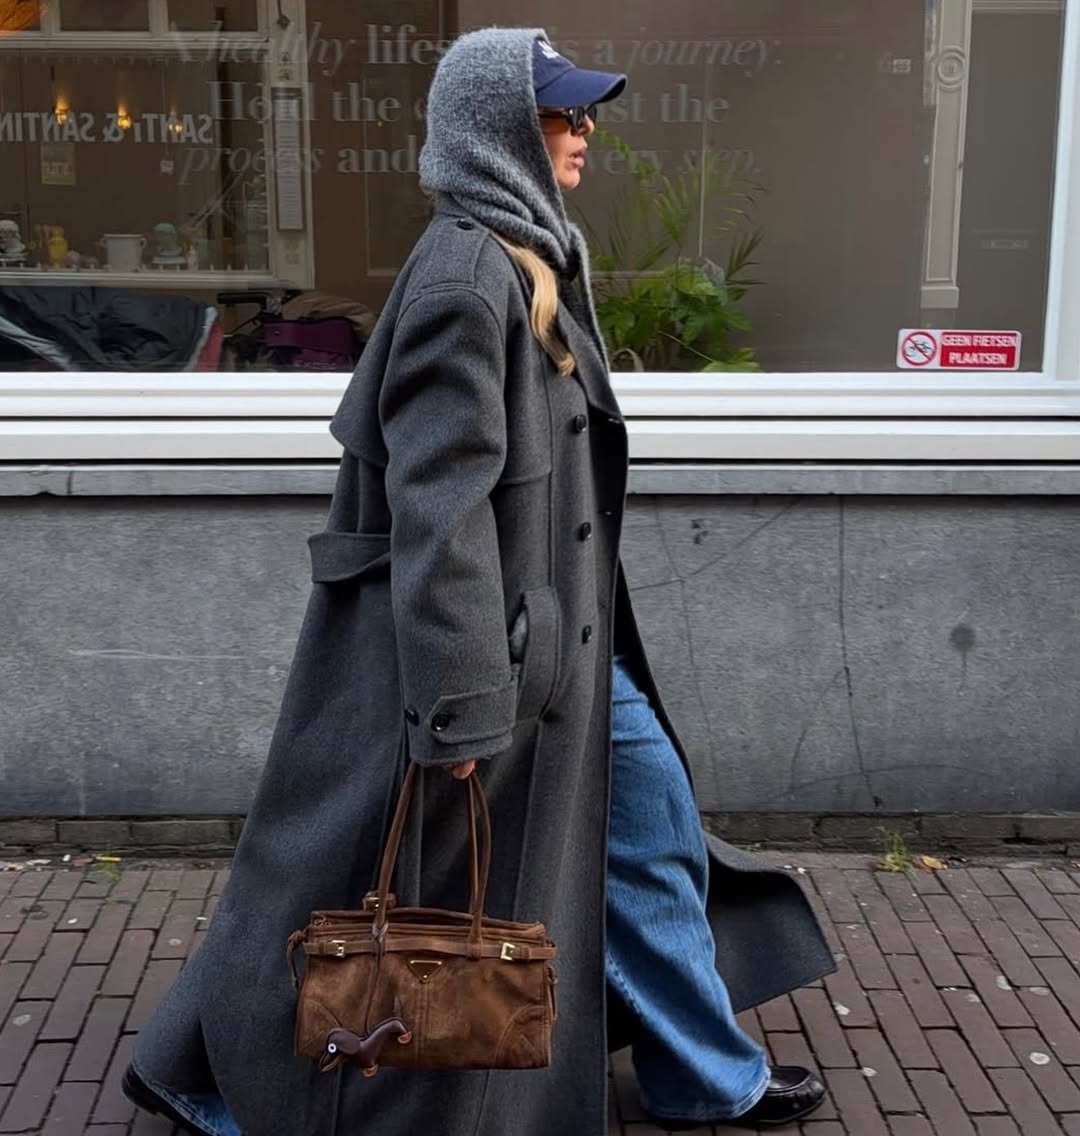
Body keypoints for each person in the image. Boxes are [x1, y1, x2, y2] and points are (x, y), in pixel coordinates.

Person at [123, 27, 834, 1135]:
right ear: (496, 127)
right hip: (487, 652)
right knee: (346, 865)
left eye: (583, 111)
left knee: (648, 829)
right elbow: (439, 504)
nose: (585, 129)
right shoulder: (471, 276)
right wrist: (461, 692)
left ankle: (708, 1073)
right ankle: (212, 1068)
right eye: (561, 112)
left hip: (557, 644)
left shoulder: (529, 252)